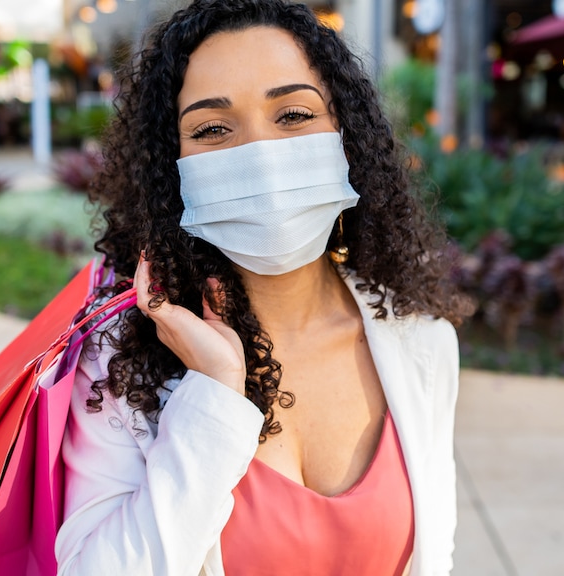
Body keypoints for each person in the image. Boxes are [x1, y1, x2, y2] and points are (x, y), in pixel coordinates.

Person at [55, 1, 471, 574]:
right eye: (212, 128)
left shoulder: (421, 342)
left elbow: (435, 557)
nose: (262, 155)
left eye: (294, 115)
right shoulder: (119, 367)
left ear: (346, 135)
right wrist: (215, 396)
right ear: (171, 166)